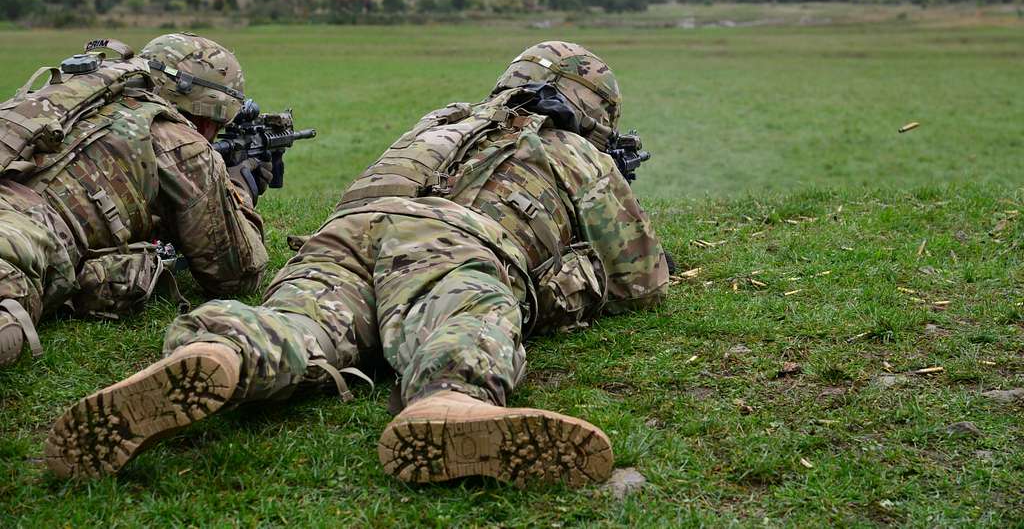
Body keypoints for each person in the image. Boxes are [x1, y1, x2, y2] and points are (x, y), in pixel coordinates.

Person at [46, 41, 670, 487]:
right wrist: (577, 271)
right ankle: (449, 401)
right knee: (468, 309)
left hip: (345, 236)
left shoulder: (443, 120)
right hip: (450, 242)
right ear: (596, 115)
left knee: (303, 321)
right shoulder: (574, 153)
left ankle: (225, 353)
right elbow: (642, 282)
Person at [0, 34, 269, 369]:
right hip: (19, 238)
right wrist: (241, 192)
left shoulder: (82, 99)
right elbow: (236, 274)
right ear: (207, 115)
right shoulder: (178, 141)